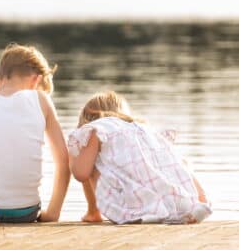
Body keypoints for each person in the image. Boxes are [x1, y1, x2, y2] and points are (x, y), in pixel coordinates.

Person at [0, 43, 70, 223]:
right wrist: (52, 214)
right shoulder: (42, 100)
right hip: (25, 213)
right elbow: (64, 161)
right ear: (35, 81)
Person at [68, 91, 211, 225]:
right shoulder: (144, 129)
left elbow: (81, 174)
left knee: (87, 158)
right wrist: (199, 199)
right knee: (175, 161)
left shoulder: (96, 129)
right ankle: (198, 204)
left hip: (131, 207)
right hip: (175, 201)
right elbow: (177, 164)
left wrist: (74, 155)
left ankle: (93, 213)